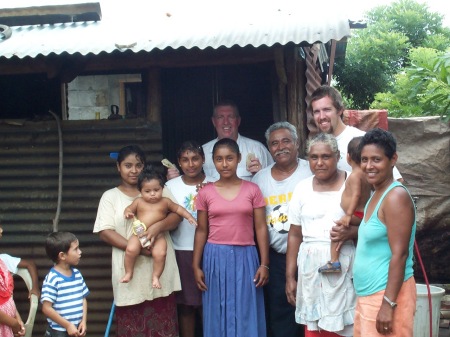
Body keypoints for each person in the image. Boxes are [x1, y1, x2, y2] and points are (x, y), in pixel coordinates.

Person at [93, 145, 182, 337]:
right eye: (128, 165)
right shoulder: (110, 197)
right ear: (118, 167)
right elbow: (105, 232)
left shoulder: (158, 189)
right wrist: (139, 249)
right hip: (130, 274)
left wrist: (159, 226)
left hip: (160, 270)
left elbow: (177, 217)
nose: (134, 170)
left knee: (162, 327)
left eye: (138, 165)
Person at [193, 138, 269, 337]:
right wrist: (196, 265)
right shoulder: (205, 192)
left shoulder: (253, 190)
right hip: (215, 257)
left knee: (246, 308)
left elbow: (260, 228)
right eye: (219, 159)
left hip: (246, 256)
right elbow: (201, 230)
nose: (224, 164)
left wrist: (264, 264)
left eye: (229, 158)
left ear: (239, 159)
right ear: (213, 161)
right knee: (217, 310)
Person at [286, 133, 356, 337]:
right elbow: (294, 234)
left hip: (344, 262)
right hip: (310, 265)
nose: (319, 162)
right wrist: (290, 277)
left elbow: (373, 224)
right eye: (314, 157)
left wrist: (352, 231)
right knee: (315, 326)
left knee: (346, 325)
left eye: (326, 156)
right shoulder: (302, 188)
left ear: (337, 156)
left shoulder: (353, 183)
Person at [353, 128, 416, 336]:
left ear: (393, 159)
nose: (369, 166)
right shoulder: (376, 193)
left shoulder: (395, 197)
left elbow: (400, 254)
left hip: (386, 296)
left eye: (376, 159)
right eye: (364, 160)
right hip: (370, 295)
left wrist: (388, 304)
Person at [252, 121, 312, 337]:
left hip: (310, 254)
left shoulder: (311, 170)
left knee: (314, 311)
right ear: (269, 148)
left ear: (297, 143)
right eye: (274, 143)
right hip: (277, 258)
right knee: (281, 313)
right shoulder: (260, 179)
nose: (280, 147)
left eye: (286, 141)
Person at [166, 140, 214, 337]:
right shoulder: (170, 186)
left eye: (195, 158)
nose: (191, 164)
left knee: (209, 305)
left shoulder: (214, 183)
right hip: (181, 250)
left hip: (210, 249)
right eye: (185, 160)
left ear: (203, 159)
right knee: (186, 305)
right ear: (178, 162)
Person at [121, 166, 197, 286]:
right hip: (139, 234)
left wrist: (189, 217)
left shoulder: (165, 202)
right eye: (147, 191)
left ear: (162, 188)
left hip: (159, 236)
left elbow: (178, 209)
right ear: (140, 191)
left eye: (156, 190)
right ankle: (129, 272)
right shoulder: (138, 201)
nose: (152, 194)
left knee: (160, 254)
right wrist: (127, 212)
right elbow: (129, 208)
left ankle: (156, 277)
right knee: (130, 250)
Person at [310, 85, 403, 181]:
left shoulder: (361, 140)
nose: (321, 116)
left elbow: (397, 180)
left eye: (327, 110)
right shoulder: (316, 146)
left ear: (340, 110)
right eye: (316, 112)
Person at [167, 100, 273, 181]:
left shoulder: (257, 149)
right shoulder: (202, 152)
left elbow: (273, 180)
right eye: (220, 117)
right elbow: (190, 180)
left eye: (230, 117)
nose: (226, 122)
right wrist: (175, 179)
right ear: (214, 121)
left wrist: (261, 174)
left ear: (238, 121)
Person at [318, 136, 371, 273]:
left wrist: (348, 215)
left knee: (337, 231)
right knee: (350, 237)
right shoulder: (366, 175)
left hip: (356, 214)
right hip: (361, 213)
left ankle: (334, 261)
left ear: (347, 157)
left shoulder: (355, 175)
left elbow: (357, 195)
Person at [41, 231, 89, 337]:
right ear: (62, 255)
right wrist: (67, 325)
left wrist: (83, 321)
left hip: (76, 329)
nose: (80, 252)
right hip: (58, 332)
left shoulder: (77, 274)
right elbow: (46, 308)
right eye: (75, 249)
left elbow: (83, 299)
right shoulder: (52, 279)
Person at [0, 225, 30, 337]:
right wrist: (13, 323)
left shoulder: (1, 261)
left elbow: (6, 296)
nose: (1, 230)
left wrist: (17, 319)